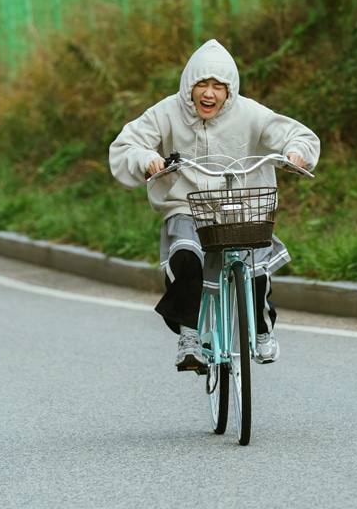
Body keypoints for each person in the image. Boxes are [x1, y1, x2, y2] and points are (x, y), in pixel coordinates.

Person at [107, 39, 320, 371]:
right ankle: (189, 336)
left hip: (242, 205)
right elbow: (127, 145)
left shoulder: (251, 113)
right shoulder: (166, 112)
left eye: (218, 86)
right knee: (186, 258)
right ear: (188, 86)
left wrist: (296, 153)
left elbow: (299, 136)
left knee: (254, 267)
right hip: (187, 205)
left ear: (229, 90)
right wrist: (148, 158)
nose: (209, 94)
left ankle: (262, 329)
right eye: (202, 85)